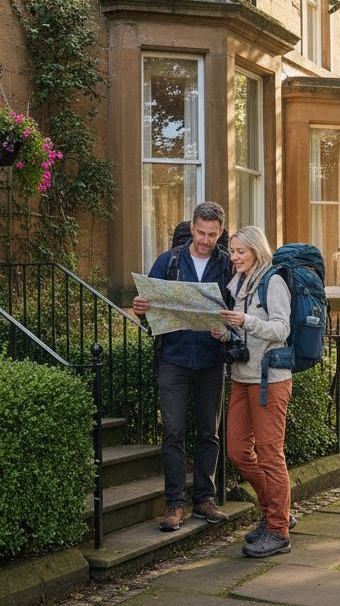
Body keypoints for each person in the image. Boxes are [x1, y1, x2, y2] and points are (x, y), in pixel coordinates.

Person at [132, 201, 232, 532]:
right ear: (192, 228)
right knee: (173, 431)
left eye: (212, 235)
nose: (206, 240)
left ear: (220, 232)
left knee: (209, 432)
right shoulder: (169, 260)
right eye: (201, 233)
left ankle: (205, 499)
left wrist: (227, 329)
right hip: (174, 358)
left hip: (210, 359)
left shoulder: (227, 265)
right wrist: (141, 308)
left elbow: (237, 311)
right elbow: (149, 306)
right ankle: (174, 504)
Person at [211, 225, 294, 558]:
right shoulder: (241, 284)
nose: (233, 257)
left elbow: (281, 328)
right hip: (242, 377)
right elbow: (244, 329)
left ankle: (278, 531)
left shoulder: (272, 281)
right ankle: (276, 510)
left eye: (239, 251)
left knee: (271, 455)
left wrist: (245, 322)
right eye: (231, 251)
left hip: (270, 379)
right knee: (237, 451)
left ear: (256, 251)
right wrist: (225, 332)